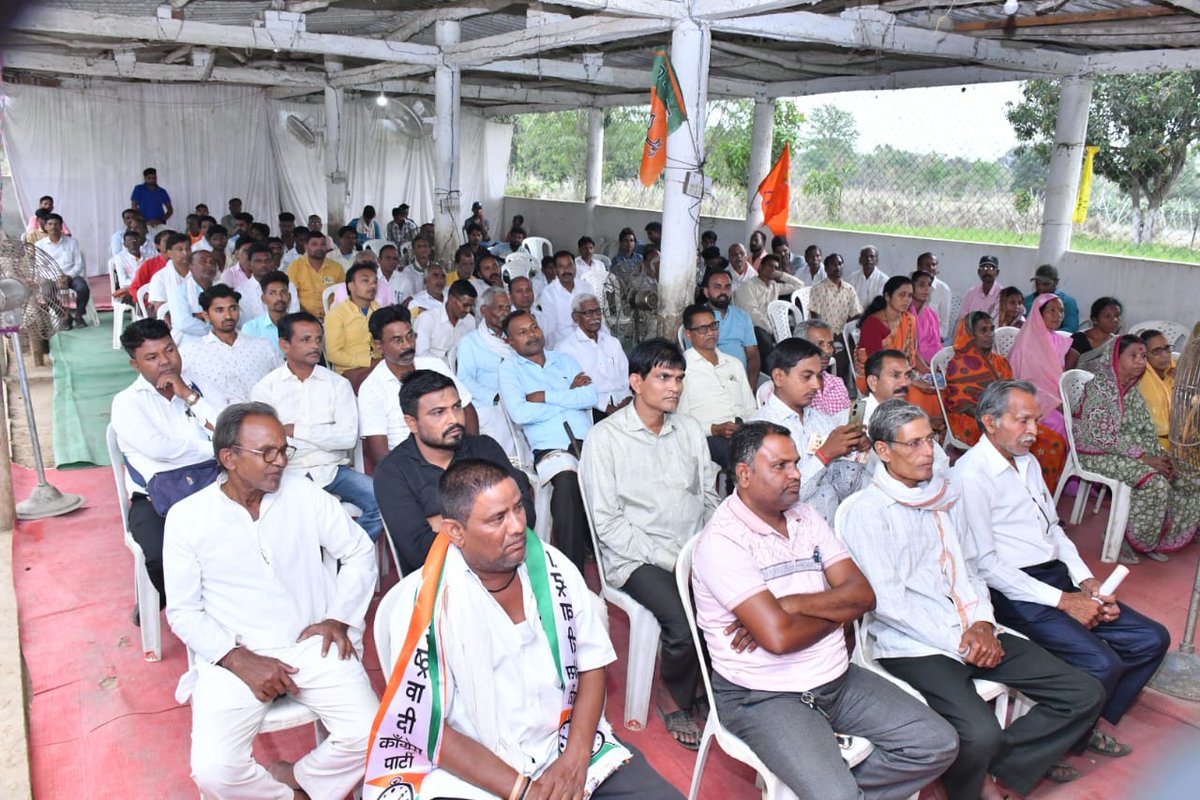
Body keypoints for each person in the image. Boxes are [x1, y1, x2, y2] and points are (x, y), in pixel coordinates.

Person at [367, 458, 682, 800]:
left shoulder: (553, 568)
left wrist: (575, 759)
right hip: (475, 772)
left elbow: (592, 665)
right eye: (497, 519)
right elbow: (431, 730)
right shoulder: (423, 607)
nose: (517, 526)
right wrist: (525, 792)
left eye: (518, 508)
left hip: (561, 746)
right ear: (455, 531)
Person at [840, 400, 1106, 800]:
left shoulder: (942, 495)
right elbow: (890, 604)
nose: (928, 451)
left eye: (929, 439)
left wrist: (981, 621)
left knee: (1083, 692)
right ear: (883, 450)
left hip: (972, 624)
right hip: (913, 642)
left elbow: (969, 569)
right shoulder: (867, 511)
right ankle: (971, 780)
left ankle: (992, 768)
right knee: (979, 731)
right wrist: (962, 641)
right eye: (912, 445)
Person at [691, 421, 959, 800]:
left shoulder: (805, 516)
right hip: (764, 694)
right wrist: (836, 615)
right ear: (745, 474)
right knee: (838, 795)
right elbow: (780, 639)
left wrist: (791, 605)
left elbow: (864, 595)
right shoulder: (722, 541)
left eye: (796, 463)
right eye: (780, 466)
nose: (797, 474)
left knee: (937, 743)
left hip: (835, 677)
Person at [164, 403, 378, 800]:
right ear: (229, 457)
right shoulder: (187, 518)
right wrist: (235, 657)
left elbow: (359, 551)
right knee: (213, 772)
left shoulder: (303, 493)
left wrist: (339, 617)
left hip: (312, 644)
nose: (280, 461)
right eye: (267, 453)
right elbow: (183, 611)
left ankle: (298, 776)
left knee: (375, 735)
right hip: (233, 656)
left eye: (284, 450)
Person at [953, 379, 1169, 758]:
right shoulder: (971, 476)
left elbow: (1054, 529)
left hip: (1055, 575)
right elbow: (986, 565)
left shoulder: (1028, 462)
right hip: (1013, 590)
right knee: (1102, 663)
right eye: (1023, 421)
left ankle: (1084, 727)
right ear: (990, 421)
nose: (1034, 432)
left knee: (1151, 639)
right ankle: (1034, 749)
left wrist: (1085, 581)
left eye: (1035, 420)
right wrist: (1064, 602)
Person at [580, 339, 717, 749]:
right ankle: (672, 695)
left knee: (729, 601)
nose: (674, 386)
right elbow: (607, 523)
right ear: (636, 382)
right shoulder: (605, 439)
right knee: (683, 620)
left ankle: (708, 688)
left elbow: (708, 496)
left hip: (688, 546)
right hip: (635, 557)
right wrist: (672, 559)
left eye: (678, 378)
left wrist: (706, 549)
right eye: (663, 377)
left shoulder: (689, 429)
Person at [372, 370, 535, 573]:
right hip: (439, 582)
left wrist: (443, 522)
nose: (454, 419)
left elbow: (526, 512)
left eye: (456, 407)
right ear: (412, 422)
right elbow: (419, 550)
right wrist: (491, 516)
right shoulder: (392, 472)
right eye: (438, 412)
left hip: (506, 568)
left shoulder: (485, 448)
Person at [112, 319, 222, 601]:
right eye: (152, 357)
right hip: (155, 499)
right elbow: (160, 449)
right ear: (135, 364)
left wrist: (189, 397)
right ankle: (182, 605)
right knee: (160, 557)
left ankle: (220, 599)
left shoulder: (199, 387)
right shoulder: (127, 402)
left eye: (170, 350)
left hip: (213, 487)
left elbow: (228, 428)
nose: (165, 362)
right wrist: (216, 447)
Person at [251, 312, 382, 542]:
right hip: (286, 471)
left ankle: (351, 555)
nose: (315, 346)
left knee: (380, 499)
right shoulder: (266, 389)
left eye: (318, 339)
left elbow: (347, 438)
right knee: (271, 516)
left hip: (333, 469)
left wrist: (294, 430)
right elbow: (267, 443)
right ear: (284, 344)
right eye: (306, 340)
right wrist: (324, 434)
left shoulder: (338, 385)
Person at [1074, 335, 1200, 562]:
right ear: (1115, 357)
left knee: (1187, 473)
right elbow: (1100, 437)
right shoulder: (1100, 388)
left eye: (1143, 356)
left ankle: (1156, 536)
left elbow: (1145, 431)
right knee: (1153, 481)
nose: (1141, 361)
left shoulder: (1131, 389)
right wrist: (1144, 458)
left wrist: (1159, 456)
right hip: (1095, 453)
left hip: (1127, 452)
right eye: (1133, 356)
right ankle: (1125, 538)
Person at [497, 309, 595, 573]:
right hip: (551, 447)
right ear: (510, 341)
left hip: (588, 441)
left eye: (534, 327)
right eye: (522, 332)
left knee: (619, 473)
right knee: (567, 483)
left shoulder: (563, 359)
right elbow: (519, 413)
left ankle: (604, 547)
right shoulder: (509, 370)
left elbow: (590, 396)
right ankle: (571, 570)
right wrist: (567, 393)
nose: (532, 334)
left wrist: (544, 396)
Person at [750, 338, 869, 525]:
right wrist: (824, 455)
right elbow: (777, 498)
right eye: (807, 376)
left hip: (831, 529)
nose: (816, 385)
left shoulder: (821, 420)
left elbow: (842, 487)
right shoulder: (759, 429)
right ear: (779, 377)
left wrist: (856, 451)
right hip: (790, 534)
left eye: (819, 376)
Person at [944, 311, 1067, 490]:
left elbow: (1010, 394)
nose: (989, 334)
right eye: (983, 330)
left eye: (991, 329)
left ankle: (1034, 497)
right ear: (970, 334)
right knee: (1046, 445)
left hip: (1004, 416)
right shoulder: (959, 364)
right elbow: (960, 403)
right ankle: (1021, 494)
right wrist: (998, 419)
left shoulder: (1000, 361)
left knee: (1055, 441)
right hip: (972, 420)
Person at [358, 305, 476, 467]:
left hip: (453, 456)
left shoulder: (434, 366)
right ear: (379, 345)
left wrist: (470, 454)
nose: (407, 345)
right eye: (397, 340)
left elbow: (467, 408)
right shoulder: (371, 388)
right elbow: (379, 453)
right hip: (409, 467)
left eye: (410, 336)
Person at [677, 304, 757, 468]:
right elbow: (680, 422)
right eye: (702, 329)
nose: (711, 332)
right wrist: (713, 429)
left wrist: (747, 428)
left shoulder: (734, 364)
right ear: (688, 334)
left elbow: (751, 408)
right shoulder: (682, 369)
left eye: (713, 326)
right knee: (744, 458)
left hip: (742, 431)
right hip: (707, 436)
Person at [854, 275, 941, 422]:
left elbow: (913, 353)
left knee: (936, 390)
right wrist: (911, 382)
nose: (907, 300)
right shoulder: (873, 324)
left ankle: (930, 431)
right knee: (916, 392)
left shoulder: (909, 320)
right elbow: (877, 366)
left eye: (910, 296)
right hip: (874, 377)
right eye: (902, 295)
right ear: (888, 297)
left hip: (903, 373)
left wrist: (928, 372)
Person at [180, 285, 282, 409]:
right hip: (222, 424)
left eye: (233, 308)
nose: (228, 316)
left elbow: (281, 382)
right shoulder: (191, 352)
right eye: (219, 310)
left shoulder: (262, 346)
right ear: (206, 315)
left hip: (265, 419)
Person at [555, 293, 630, 422]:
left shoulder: (612, 342)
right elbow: (577, 388)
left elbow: (625, 378)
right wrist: (606, 407)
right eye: (589, 313)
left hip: (622, 405)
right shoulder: (567, 348)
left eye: (598, 311)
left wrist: (627, 399)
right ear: (575, 317)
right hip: (593, 410)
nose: (595, 317)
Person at [1008, 293, 1073, 440]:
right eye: (1052, 311)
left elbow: (1057, 378)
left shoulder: (1057, 340)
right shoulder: (1026, 344)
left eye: (1061, 311)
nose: (1058, 315)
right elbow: (1024, 384)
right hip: (1030, 400)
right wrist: (1055, 403)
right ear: (1039, 314)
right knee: (1061, 423)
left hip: (1057, 399)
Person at [699, 268, 761, 386]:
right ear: (706, 292)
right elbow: (698, 359)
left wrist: (750, 387)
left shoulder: (742, 316)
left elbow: (753, 355)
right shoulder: (698, 319)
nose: (723, 291)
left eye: (727, 286)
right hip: (712, 382)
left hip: (742, 381)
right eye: (717, 287)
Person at [734, 252, 805, 354]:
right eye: (770, 266)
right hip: (755, 327)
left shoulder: (774, 286)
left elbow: (799, 285)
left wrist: (781, 275)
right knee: (761, 333)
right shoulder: (748, 286)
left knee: (799, 333)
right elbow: (752, 313)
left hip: (773, 327)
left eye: (775, 268)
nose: (772, 269)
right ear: (761, 267)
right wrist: (772, 329)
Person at [324, 262, 382, 380]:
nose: (372, 285)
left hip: (379, 366)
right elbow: (333, 354)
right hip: (351, 371)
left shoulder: (377, 308)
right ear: (351, 286)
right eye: (365, 281)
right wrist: (369, 362)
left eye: (375, 281)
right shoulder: (337, 314)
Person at [806, 253, 862, 367]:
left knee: (852, 349)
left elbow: (856, 314)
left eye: (840, 264)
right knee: (836, 352)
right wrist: (830, 336)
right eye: (833, 264)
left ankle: (846, 379)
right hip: (822, 334)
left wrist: (844, 332)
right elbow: (815, 316)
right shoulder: (819, 288)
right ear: (826, 269)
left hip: (842, 334)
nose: (837, 267)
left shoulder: (849, 289)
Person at [35, 213, 90, 328]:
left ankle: (79, 315)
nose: (53, 227)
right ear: (45, 227)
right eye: (50, 224)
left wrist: (68, 276)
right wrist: (56, 279)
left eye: (56, 224)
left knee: (83, 288)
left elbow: (79, 264)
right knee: (46, 293)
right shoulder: (40, 245)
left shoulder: (72, 242)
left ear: (61, 227)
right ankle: (64, 315)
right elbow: (40, 267)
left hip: (71, 276)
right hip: (51, 278)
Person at [414, 278, 478, 361]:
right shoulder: (427, 319)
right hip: (430, 370)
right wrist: (446, 365)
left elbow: (470, 351)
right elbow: (421, 355)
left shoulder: (470, 321)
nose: (468, 310)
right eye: (465, 305)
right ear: (451, 298)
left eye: (471, 306)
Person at [538, 252, 594, 348]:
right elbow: (550, 328)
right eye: (561, 267)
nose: (566, 270)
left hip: (587, 338)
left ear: (575, 268)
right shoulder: (549, 293)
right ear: (555, 270)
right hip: (562, 342)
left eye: (569, 266)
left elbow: (595, 316)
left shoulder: (586, 287)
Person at [287, 229, 345, 319]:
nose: (319, 248)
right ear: (306, 246)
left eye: (323, 244)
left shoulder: (336, 267)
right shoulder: (295, 266)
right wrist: (307, 317)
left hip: (332, 316)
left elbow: (343, 296)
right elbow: (292, 296)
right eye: (314, 244)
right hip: (303, 317)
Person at [236, 244, 300, 323]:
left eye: (267, 261)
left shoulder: (288, 285)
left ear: (272, 262)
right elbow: (246, 322)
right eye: (258, 261)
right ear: (249, 264)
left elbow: (294, 314)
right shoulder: (242, 291)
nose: (263, 265)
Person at [166, 248, 218, 345]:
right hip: (188, 342)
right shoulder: (179, 290)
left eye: (212, 262)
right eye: (203, 261)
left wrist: (197, 316)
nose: (209, 265)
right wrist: (216, 330)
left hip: (219, 342)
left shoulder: (221, 288)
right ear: (191, 267)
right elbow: (184, 323)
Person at [1137, 328, 1176, 451]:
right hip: (1153, 444)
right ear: (1145, 354)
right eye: (1157, 351)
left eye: (1166, 348)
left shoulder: (1174, 372)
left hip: (1182, 440)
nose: (1165, 355)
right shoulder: (1139, 375)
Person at [801, 320, 851, 416]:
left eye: (830, 344)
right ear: (801, 346)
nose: (827, 351)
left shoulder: (837, 384)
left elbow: (847, 420)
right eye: (820, 344)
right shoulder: (794, 387)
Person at [241, 271, 292, 357]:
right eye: (272, 293)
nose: (279, 297)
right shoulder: (251, 328)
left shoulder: (300, 325)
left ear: (289, 297)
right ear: (263, 299)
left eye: (283, 292)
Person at [1066, 296, 1123, 372]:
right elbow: (1067, 371)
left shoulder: (1117, 342)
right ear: (1095, 319)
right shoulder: (1079, 340)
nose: (1114, 320)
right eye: (1107, 316)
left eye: (1117, 315)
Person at [146, 233, 194, 319]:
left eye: (188, 249)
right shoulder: (159, 278)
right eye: (180, 249)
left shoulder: (199, 272)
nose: (185, 253)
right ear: (169, 253)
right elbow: (161, 312)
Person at [1023, 264, 1079, 333]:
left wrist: (1045, 335)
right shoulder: (1028, 300)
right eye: (1037, 283)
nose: (1041, 287)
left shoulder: (1067, 302)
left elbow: (1070, 329)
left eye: (1046, 284)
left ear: (1056, 283)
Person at [917, 252, 953, 340]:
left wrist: (935, 338)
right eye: (927, 265)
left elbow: (944, 322)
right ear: (919, 267)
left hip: (933, 338)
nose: (931, 268)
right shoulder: (910, 285)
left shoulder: (943, 289)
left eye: (934, 265)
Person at [909, 270, 942, 365]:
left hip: (932, 362)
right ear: (912, 287)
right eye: (921, 285)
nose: (926, 289)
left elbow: (937, 344)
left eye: (929, 285)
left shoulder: (932, 314)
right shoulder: (904, 312)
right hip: (910, 362)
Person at [959, 255, 1004, 322]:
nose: (987, 271)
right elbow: (962, 316)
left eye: (991, 269)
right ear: (978, 272)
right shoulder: (971, 293)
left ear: (997, 272)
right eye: (984, 268)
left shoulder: (1003, 294)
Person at [110, 228, 145, 302]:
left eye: (135, 241)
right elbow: (123, 281)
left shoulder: (148, 256)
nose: (132, 244)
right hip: (131, 288)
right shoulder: (119, 258)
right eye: (129, 241)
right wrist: (140, 283)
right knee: (136, 295)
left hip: (147, 287)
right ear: (125, 245)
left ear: (140, 242)